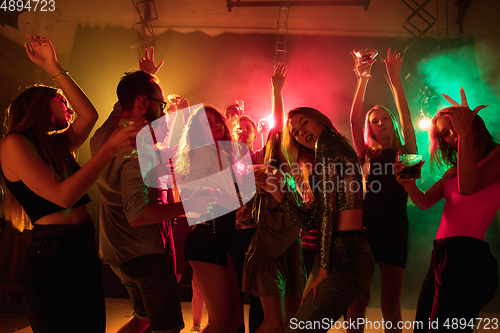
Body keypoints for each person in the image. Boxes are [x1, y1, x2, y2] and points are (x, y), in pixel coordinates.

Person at [0, 35, 141, 333]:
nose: (69, 106)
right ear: (38, 108)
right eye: (61, 99)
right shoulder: (14, 144)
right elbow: (62, 196)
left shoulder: (56, 145)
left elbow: (89, 115)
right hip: (51, 254)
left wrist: (54, 67)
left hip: (80, 245)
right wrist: (108, 150)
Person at [90, 70, 211, 333]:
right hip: (144, 255)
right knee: (166, 328)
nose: (165, 111)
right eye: (161, 103)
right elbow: (139, 215)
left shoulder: (104, 135)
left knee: (142, 318)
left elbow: (124, 103)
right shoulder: (137, 149)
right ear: (143, 102)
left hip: (114, 252)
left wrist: (148, 76)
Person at [260, 107, 374, 333]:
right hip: (341, 251)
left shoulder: (329, 145)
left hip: (344, 256)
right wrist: (275, 192)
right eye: (294, 132)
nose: (301, 132)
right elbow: (311, 221)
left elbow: (328, 211)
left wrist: (323, 268)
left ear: (320, 120)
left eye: (304, 123)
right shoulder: (328, 150)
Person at [395, 88, 499, 333]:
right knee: (422, 326)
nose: (451, 135)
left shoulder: (496, 156)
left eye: (453, 126)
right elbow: (423, 202)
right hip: (441, 254)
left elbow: (469, 188)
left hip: (467, 256)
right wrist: (409, 185)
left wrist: (464, 133)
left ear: (469, 122)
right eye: (444, 134)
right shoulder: (453, 170)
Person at [348, 48, 417, 332]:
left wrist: (395, 80)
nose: (380, 123)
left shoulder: (406, 152)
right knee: (358, 299)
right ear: (370, 129)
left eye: (384, 118)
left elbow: (408, 120)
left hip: (396, 229)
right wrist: (362, 78)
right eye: (374, 121)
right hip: (365, 228)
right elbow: (353, 120)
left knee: (391, 306)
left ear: (392, 122)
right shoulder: (365, 154)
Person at [242, 63, 307, 333]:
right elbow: (279, 124)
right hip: (269, 248)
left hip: (291, 247)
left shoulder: (296, 171)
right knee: (275, 322)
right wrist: (276, 91)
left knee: (291, 323)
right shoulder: (267, 169)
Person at [175, 105, 245, 333]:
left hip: (220, 239)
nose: (215, 124)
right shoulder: (203, 151)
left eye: (217, 120)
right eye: (208, 122)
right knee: (222, 321)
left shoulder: (223, 152)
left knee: (233, 321)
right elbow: (191, 196)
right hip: (207, 238)